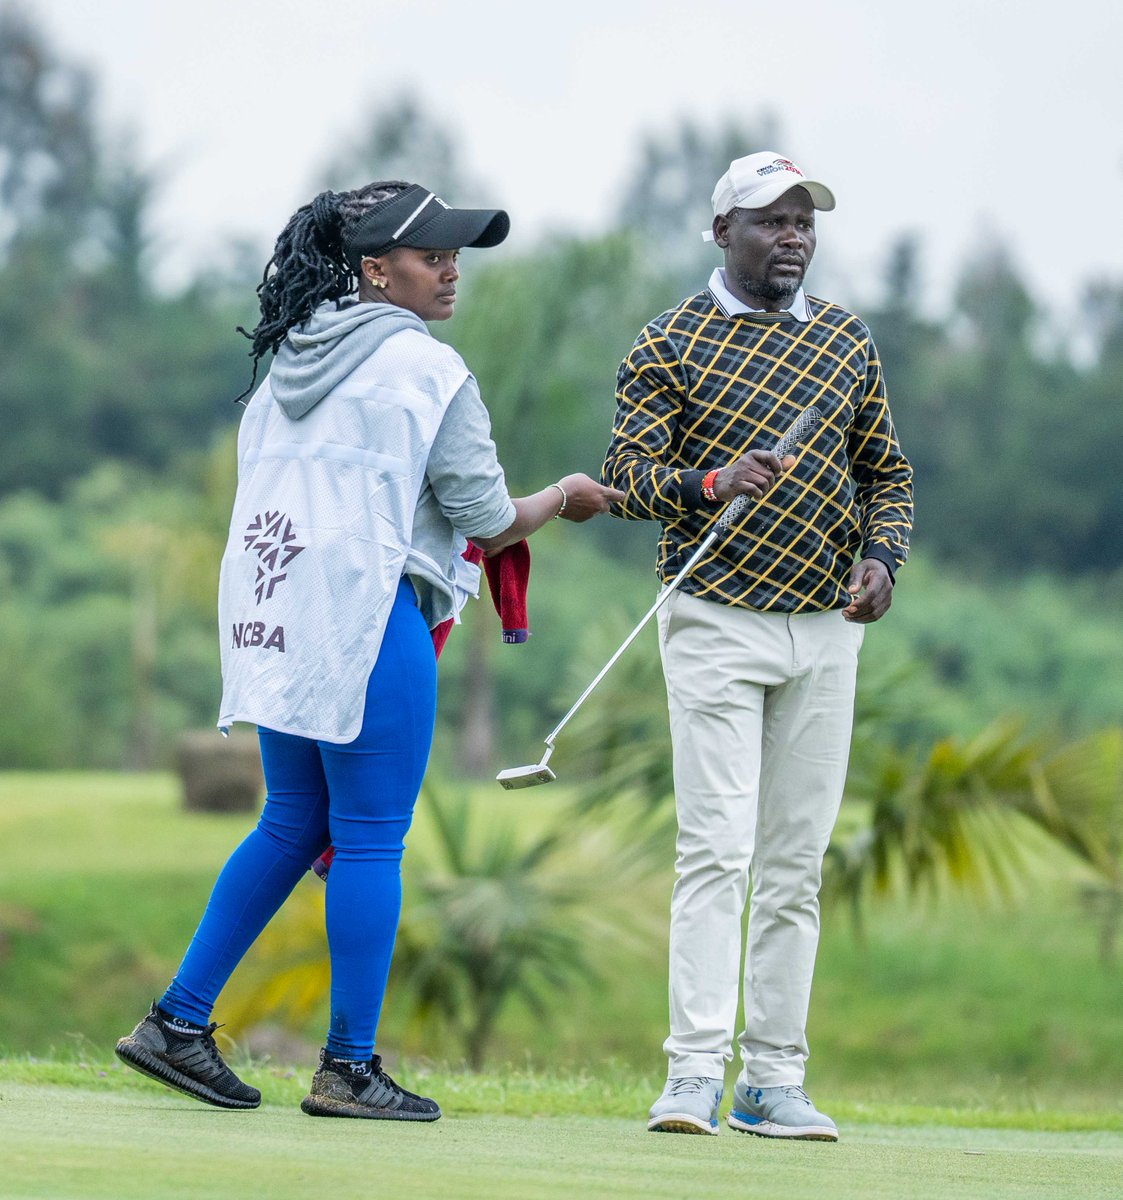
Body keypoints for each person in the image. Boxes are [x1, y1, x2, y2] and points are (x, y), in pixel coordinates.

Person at [115, 180, 622, 1121]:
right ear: (376, 270)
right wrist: (562, 497)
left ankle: (175, 1023)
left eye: (454, 256)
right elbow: (486, 519)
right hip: (369, 618)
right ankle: (347, 1069)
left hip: (278, 615)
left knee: (289, 821)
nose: (451, 272)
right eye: (433, 257)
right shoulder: (430, 371)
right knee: (370, 839)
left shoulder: (285, 361)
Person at [602, 152, 913, 1140]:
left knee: (793, 863)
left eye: (803, 222)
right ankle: (693, 1072)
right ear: (721, 231)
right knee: (716, 852)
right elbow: (626, 478)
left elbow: (886, 473)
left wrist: (882, 561)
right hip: (713, 618)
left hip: (824, 629)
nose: (792, 237)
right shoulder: (669, 341)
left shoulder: (844, 340)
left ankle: (771, 1081)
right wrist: (711, 483)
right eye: (771, 220)